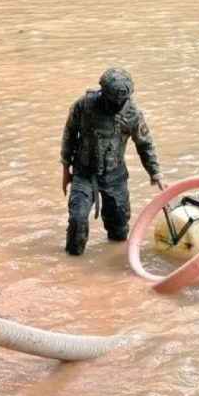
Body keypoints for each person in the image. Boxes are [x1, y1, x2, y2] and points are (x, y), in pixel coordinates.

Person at [60, 67, 168, 256]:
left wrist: (156, 174)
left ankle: (114, 261)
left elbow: (145, 145)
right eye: (113, 101)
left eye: (121, 101)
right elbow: (69, 134)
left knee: (119, 229)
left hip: (115, 175)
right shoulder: (85, 105)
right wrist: (65, 171)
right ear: (103, 92)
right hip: (84, 173)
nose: (117, 104)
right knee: (77, 220)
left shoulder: (132, 114)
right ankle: (72, 260)